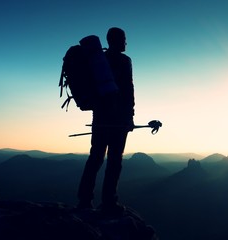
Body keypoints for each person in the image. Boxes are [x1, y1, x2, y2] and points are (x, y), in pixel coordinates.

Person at [77, 27, 135, 214]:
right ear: (115, 40)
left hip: (100, 117)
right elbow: (128, 90)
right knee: (114, 161)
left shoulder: (97, 60)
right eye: (124, 39)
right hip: (118, 119)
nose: (126, 43)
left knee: (95, 158)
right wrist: (129, 117)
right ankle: (109, 202)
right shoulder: (124, 61)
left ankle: (84, 201)